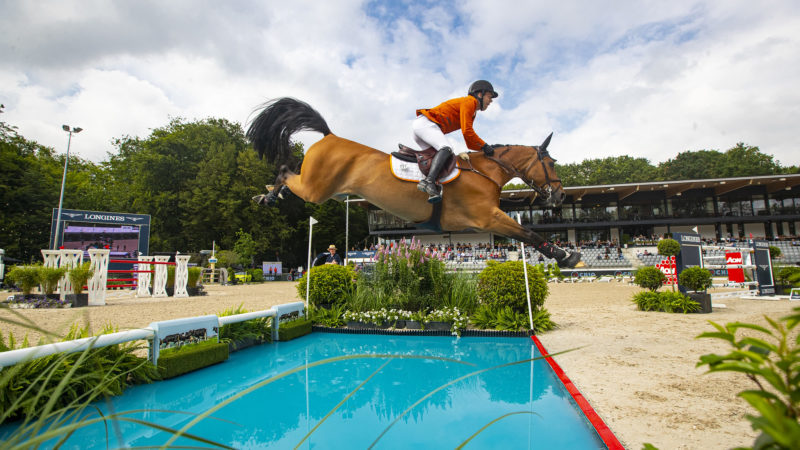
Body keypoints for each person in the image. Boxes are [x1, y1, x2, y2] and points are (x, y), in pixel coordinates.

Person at [413, 80, 499, 203]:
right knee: (446, 148)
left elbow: (469, 140)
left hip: (423, 127)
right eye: (489, 97)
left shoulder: (473, 111)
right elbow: (467, 131)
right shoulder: (470, 102)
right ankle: (428, 181)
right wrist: (484, 146)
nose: (491, 101)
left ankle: (430, 185)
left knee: (437, 159)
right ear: (480, 94)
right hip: (426, 124)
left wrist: (482, 149)